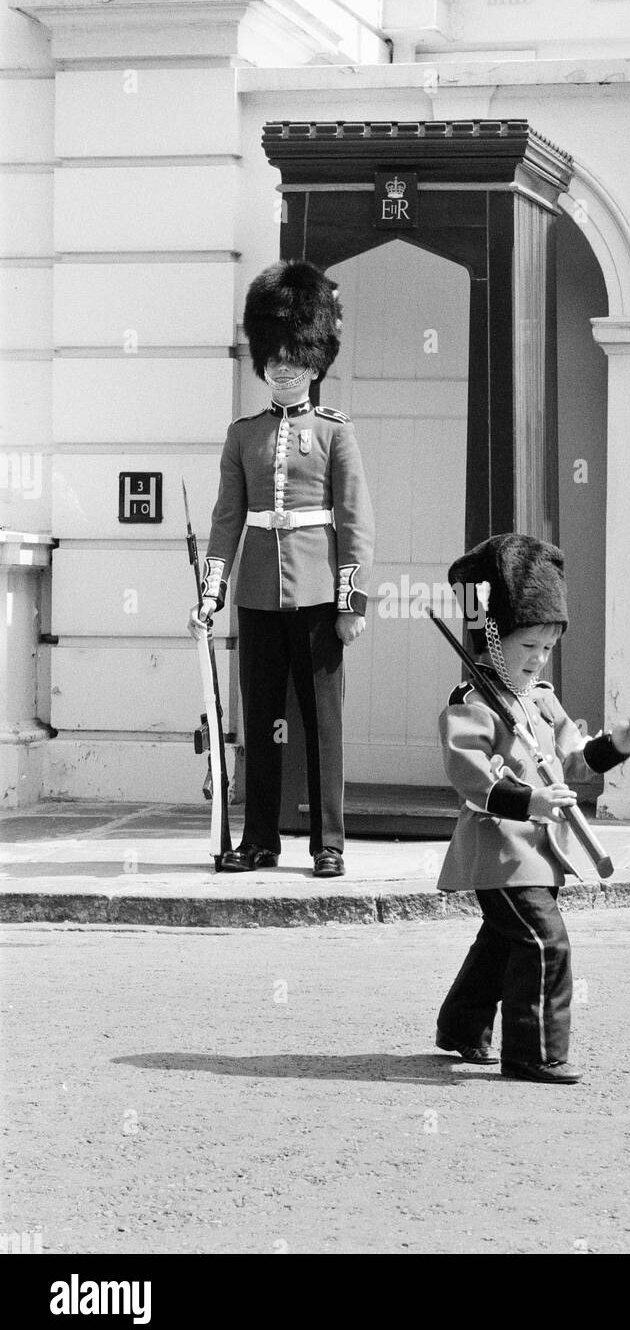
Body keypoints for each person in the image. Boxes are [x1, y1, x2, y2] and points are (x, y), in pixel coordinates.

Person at [434, 533, 630, 1084]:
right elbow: (470, 779)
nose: (538, 658)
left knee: (503, 944)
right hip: (499, 852)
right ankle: (534, 1054)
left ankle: (461, 1026)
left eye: (547, 648)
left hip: (542, 853)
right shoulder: (472, 705)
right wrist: (529, 800)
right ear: (496, 641)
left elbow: (573, 763)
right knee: (542, 941)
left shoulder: (543, 699)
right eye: (529, 646)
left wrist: (614, 746)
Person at [188, 260, 374, 877]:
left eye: (294, 355)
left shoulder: (334, 435)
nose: (281, 366)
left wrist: (350, 605)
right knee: (262, 721)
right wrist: (210, 596)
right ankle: (259, 839)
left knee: (322, 727)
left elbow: (354, 524)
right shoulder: (243, 436)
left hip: (320, 597)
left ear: (315, 362)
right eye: (273, 356)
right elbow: (225, 522)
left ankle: (328, 843)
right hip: (259, 598)